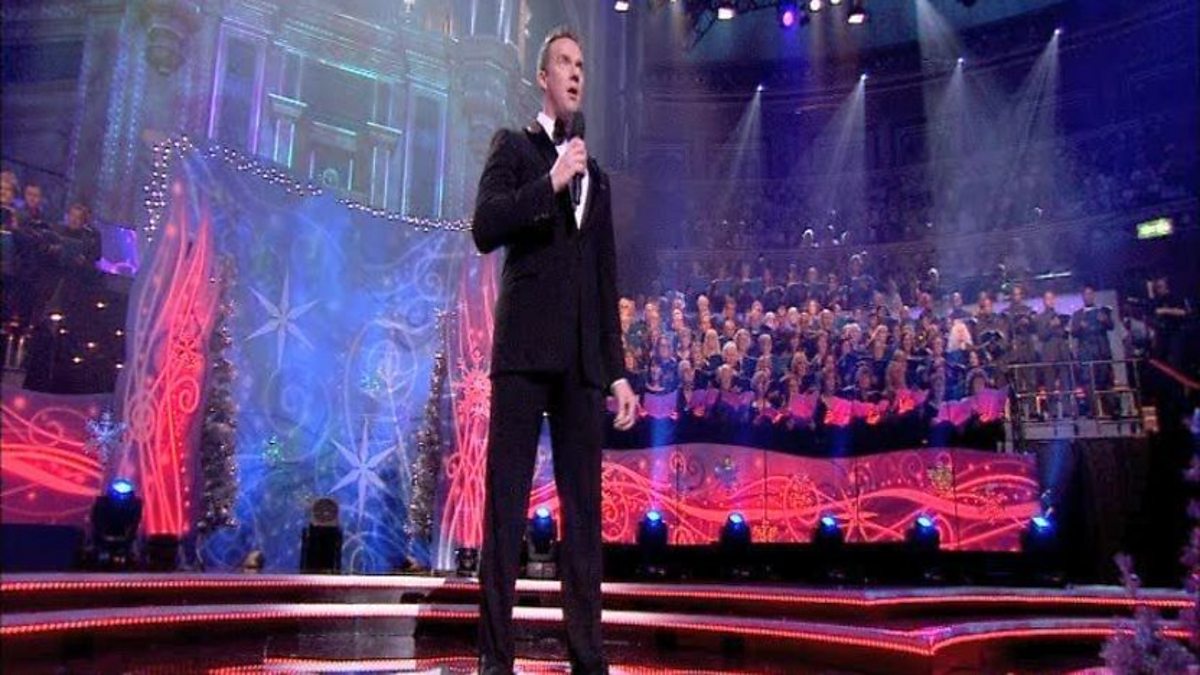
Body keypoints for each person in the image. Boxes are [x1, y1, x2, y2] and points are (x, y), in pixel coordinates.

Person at [470, 27, 634, 675]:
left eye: (581, 65)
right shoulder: (513, 147)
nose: (575, 72)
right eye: (564, 63)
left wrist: (617, 372)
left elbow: (605, 278)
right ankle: (495, 657)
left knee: (584, 514)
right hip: (523, 351)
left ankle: (587, 659)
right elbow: (485, 226)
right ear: (543, 77)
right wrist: (551, 181)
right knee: (506, 506)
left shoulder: (601, 180)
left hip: (582, 364)